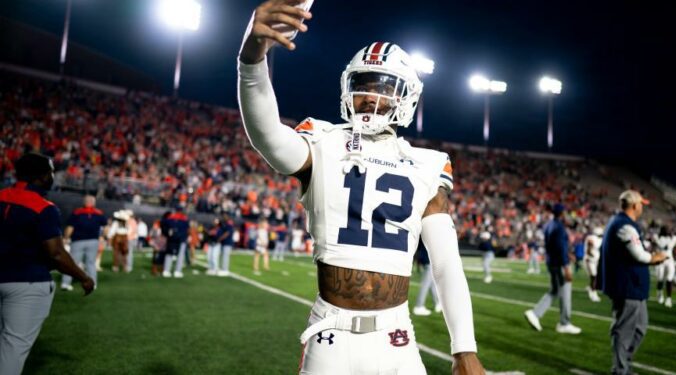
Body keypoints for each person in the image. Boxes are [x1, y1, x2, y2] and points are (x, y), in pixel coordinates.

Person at [237, 2, 484, 373]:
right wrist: (251, 59)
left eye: (383, 86)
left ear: (407, 95)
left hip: (396, 333)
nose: (370, 96)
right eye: (362, 85)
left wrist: (464, 348)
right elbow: (269, 139)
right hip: (330, 330)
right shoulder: (323, 140)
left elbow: (446, 262)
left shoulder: (429, 164)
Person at [0, 153, 95, 375]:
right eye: (51, 172)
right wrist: (84, 277)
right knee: (12, 348)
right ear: (43, 176)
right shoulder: (44, 207)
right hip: (27, 283)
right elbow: (56, 254)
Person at [600, 190, 666, 375]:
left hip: (633, 286)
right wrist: (656, 258)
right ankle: (620, 370)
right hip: (627, 286)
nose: (643, 207)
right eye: (641, 204)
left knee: (639, 328)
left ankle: (625, 365)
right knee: (624, 330)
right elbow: (639, 255)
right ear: (635, 205)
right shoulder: (625, 226)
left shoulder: (620, 223)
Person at [524, 204, 581, 334]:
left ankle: (535, 313)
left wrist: (568, 255)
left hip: (551, 262)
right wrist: (566, 266)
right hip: (560, 264)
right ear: (562, 214)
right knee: (565, 292)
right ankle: (564, 323)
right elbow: (560, 247)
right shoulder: (560, 227)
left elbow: (554, 246)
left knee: (555, 290)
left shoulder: (549, 225)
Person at [61, 195, 107, 291]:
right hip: (93, 241)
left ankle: (65, 283)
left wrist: (65, 238)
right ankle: (92, 284)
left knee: (73, 263)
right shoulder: (99, 213)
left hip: (78, 241)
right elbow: (106, 227)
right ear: (93, 203)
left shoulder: (77, 212)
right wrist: (103, 236)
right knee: (90, 263)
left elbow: (70, 227)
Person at [412, 241, 441, 316]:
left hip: (425, 258)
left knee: (432, 283)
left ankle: (438, 303)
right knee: (426, 284)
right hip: (429, 259)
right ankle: (419, 306)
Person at [653, 226, 676, 307]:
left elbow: (673, 249)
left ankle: (668, 298)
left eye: (668, 230)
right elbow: (656, 246)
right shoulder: (657, 237)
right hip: (660, 260)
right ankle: (659, 293)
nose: (668, 231)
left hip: (669, 260)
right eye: (666, 230)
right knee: (660, 279)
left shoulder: (673, 238)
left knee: (669, 279)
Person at [161, 207, 189, 278]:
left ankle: (166, 270)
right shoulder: (184, 219)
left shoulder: (170, 218)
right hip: (181, 239)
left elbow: (163, 224)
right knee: (180, 255)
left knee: (169, 253)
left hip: (172, 238)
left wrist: (168, 233)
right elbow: (186, 229)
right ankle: (177, 271)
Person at [583, 226, 603, 302]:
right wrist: (591, 254)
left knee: (594, 276)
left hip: (594, 260)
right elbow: (589, 249)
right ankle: (593, 293)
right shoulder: (591, 238)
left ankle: (591, 288)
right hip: (590, 260)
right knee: (594, 277)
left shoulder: (599, 239)